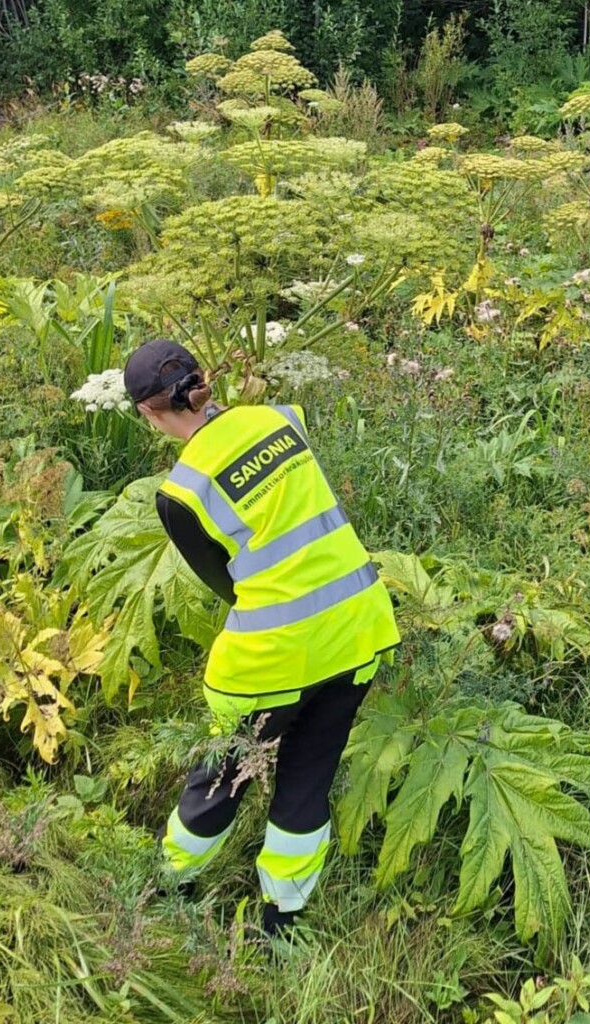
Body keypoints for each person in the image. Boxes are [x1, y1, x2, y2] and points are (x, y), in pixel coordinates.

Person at [123, 339, 399, 935]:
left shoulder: (180, 494)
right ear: (203, 381)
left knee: (222, 779)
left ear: (148, 412)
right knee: (307, 778)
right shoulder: (281, 419)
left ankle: (168, 885)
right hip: (357, 630)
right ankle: (284, 921)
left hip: (270, 660)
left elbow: (224, 583)